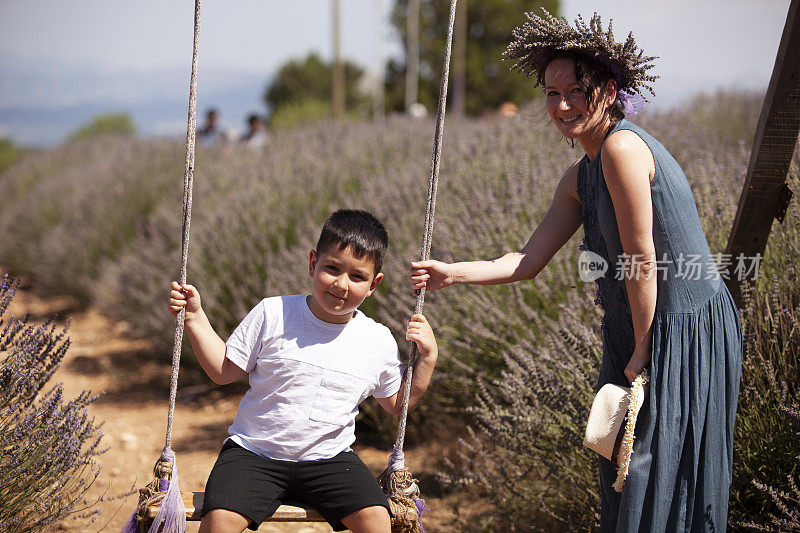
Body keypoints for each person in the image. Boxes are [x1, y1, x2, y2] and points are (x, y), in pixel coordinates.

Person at [409, 10, 742, 532]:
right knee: (623, 473)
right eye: (550, 93)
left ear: (608, 90)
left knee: (655, 478)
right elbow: (525, 262)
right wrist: (453, 273)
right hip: (636, 328)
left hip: (676, 328)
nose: (561, 105)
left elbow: (640, 259)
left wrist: (644, 349)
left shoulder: (622, 150)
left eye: (575, 91)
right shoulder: (578, 175)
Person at [170, 209, 438, 533]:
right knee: (219, 522)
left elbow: (398, 405)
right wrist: (195, 318)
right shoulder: (273, 313)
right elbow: (224, 370)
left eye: (356, 277)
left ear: (373, 284)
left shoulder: (376, 340)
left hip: (329, 459)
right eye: (332, 268)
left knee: (376, 519)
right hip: (255, 453)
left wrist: (427, 359)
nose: (341, 284)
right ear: (313, 264)